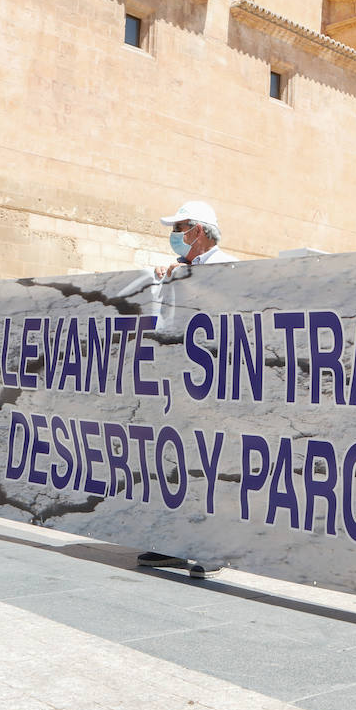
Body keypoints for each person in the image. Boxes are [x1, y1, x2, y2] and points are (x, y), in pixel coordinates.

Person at [137, 200, 234, 577]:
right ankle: (173, 543)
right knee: (175, 463)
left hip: (214, 386)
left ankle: (212, 547)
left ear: (198, 231)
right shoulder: (181, 271)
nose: (174, 236)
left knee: (213, 465)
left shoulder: (228, 267)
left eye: (180, 228)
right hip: (180, 384)